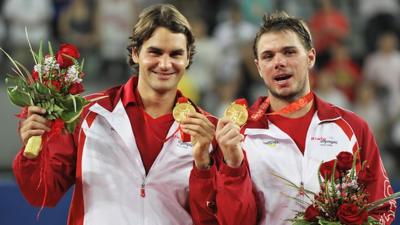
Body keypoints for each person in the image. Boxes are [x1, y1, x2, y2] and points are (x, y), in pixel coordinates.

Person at [13, 4, 254, 225]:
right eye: (155, 52)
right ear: (136, 53)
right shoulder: (86, 113)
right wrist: (31, 153)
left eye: (176, 54)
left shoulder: (207, 130)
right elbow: (42, 193)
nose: (165, 63)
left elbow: (213, 219)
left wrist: (203, 166)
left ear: (188, 58)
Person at [190, 11, 397, 224]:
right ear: (259, 68)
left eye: (289, 52)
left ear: (310, 58)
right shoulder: (238, 135)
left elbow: (382, 207)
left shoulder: (353, 127)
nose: (279, 62)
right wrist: (233, 166)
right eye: (268, 56)